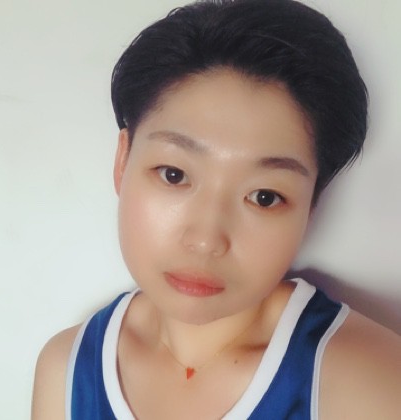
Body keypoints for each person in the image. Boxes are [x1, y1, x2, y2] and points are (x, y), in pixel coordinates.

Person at [31, 0, 401, 419]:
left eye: (264, 197)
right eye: (174, 175)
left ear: (312, 203)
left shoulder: (369, 383)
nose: (206, 240)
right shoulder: (66, 371)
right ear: (123, 161)